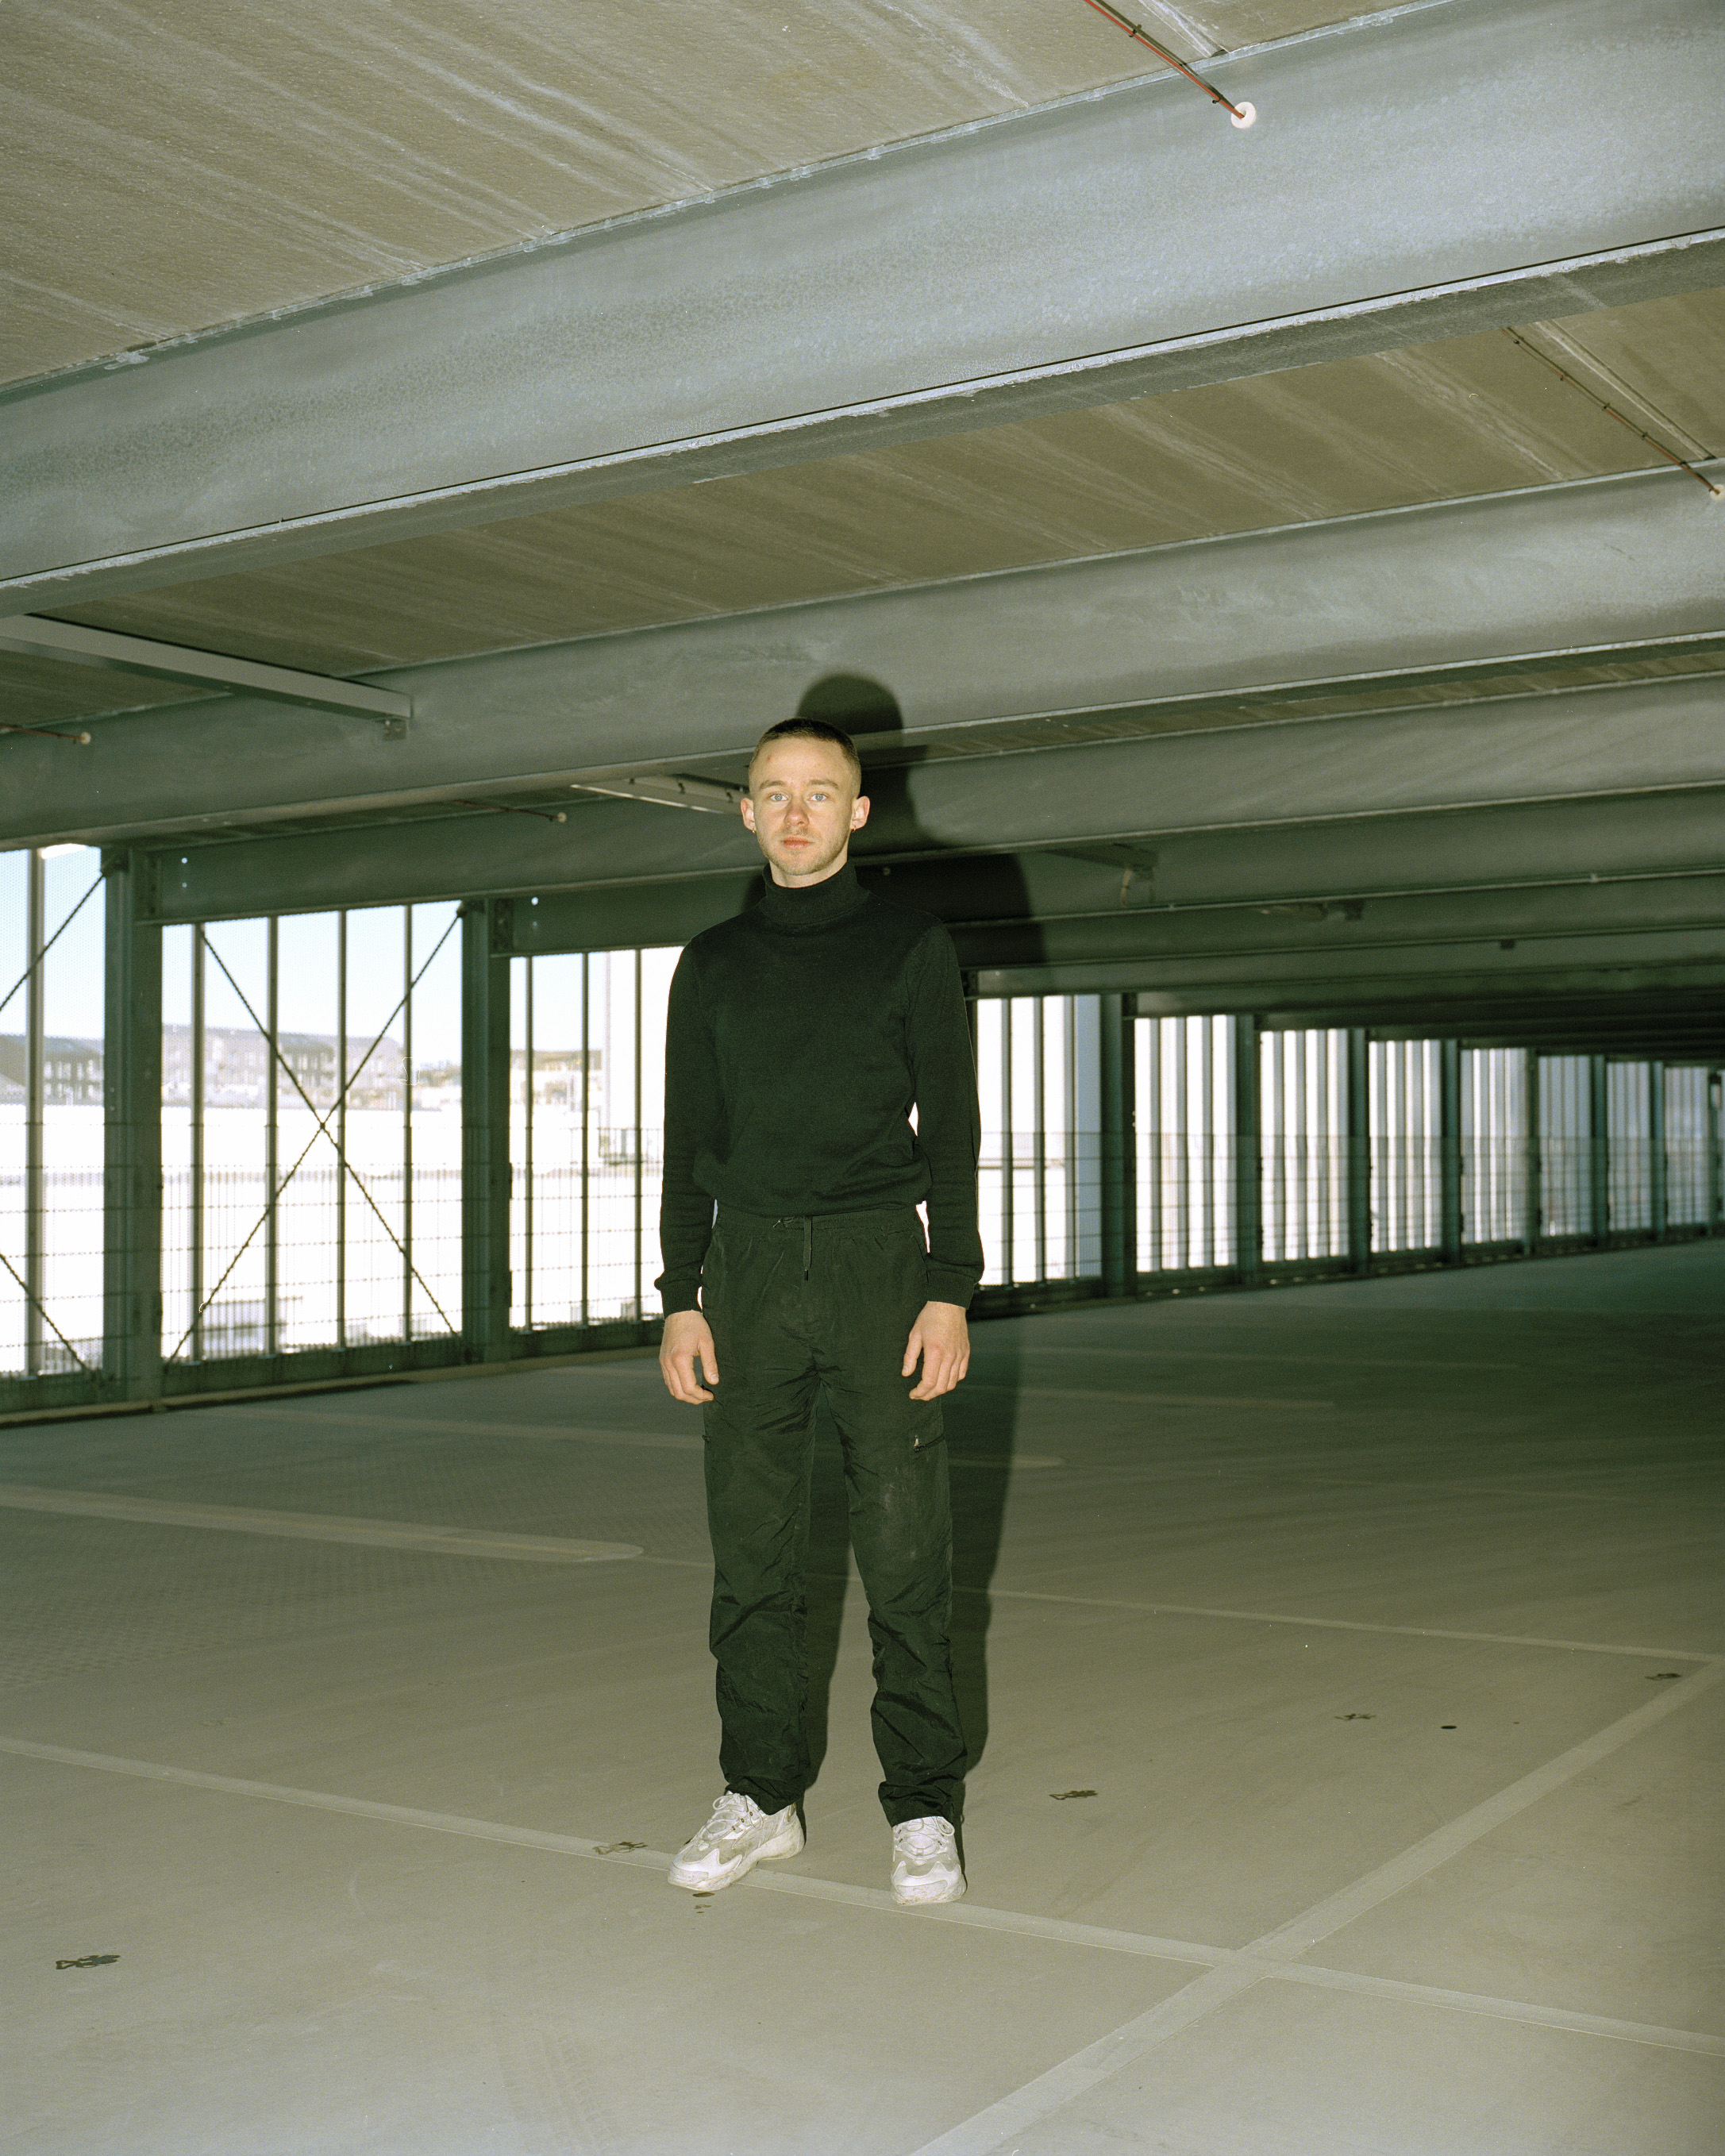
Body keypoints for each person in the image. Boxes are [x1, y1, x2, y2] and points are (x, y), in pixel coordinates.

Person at [656, 715, 982, 1906]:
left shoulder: (911, 947)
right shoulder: (712, 964)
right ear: (747, 812)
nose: (796, 813)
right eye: (774, 793)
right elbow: (688, 1140)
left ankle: (924, 1807)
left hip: (875, 1267)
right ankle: (760, 1795)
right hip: (745, 1275)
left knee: (904, 1553)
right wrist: (680, 1296)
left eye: (820, 792)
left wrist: (949, 1288)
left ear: (858, 812)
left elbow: (953, 1127)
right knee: (751, 1555)